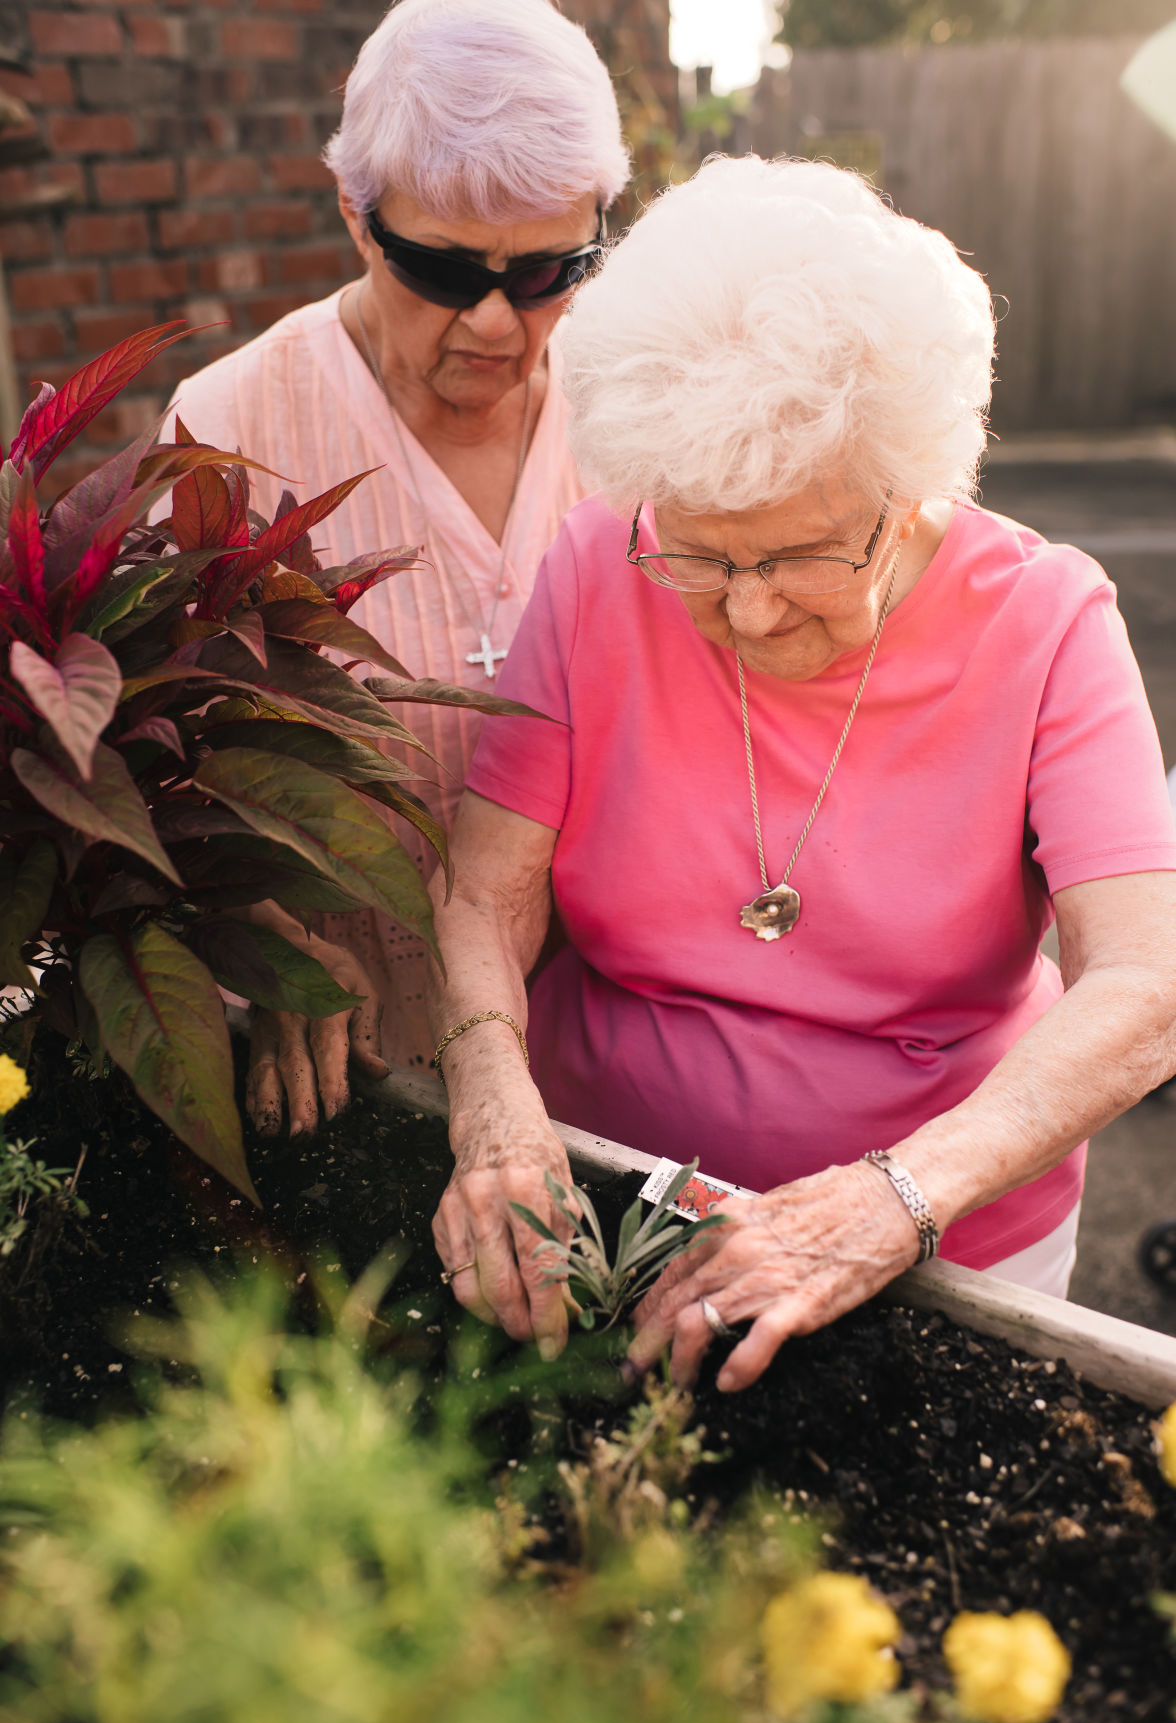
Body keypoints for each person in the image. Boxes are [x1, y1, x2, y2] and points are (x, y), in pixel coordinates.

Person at [425, 155, 1176, 1387]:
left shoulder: (1047, 621)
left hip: (938, 1238)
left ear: (912, 484)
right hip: (601, 1195)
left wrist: (888, 1203)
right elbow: (480, 891)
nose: (751, 611)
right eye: (703, 557)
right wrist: (495, 1115)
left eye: (802, 555)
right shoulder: (599, 560)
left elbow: (1147, 979)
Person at [165, 0, 628, 1125]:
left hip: (611, 1067)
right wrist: (255, 928)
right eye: (444, 270)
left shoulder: (635, 406)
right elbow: (162, 759)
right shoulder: (232, 426)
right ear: (357, 216)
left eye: (549, 272)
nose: (497, 325)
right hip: (355, 1070)